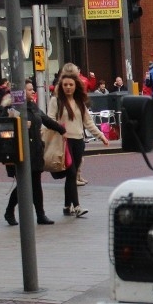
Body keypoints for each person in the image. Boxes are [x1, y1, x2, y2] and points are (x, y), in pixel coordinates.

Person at [48, 72, 109, 217]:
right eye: (65, 85)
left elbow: (88, 123)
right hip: (64, 141)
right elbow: (49, 119)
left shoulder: (80, 102)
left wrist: (101, 136)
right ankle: (77, 206)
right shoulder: (56, 101)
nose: (68, 87)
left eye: (71, 85)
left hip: (78, 141)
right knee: (72, 173)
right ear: (61, 86)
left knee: (71, 175)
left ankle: (66, 206)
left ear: (76, 86)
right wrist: (60, 129)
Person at [3, 84, 65, 226]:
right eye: (30, 89)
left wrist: (62, 130)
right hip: (20, 152)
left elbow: (45, 120)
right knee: (24, 184)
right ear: (21, 91)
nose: (33, 91)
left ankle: (40, 214)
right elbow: (7, 127)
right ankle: (9, 211)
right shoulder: (12, 108)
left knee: (36, 184)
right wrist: (22, 125)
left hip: (36, 150)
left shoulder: (33, 106)